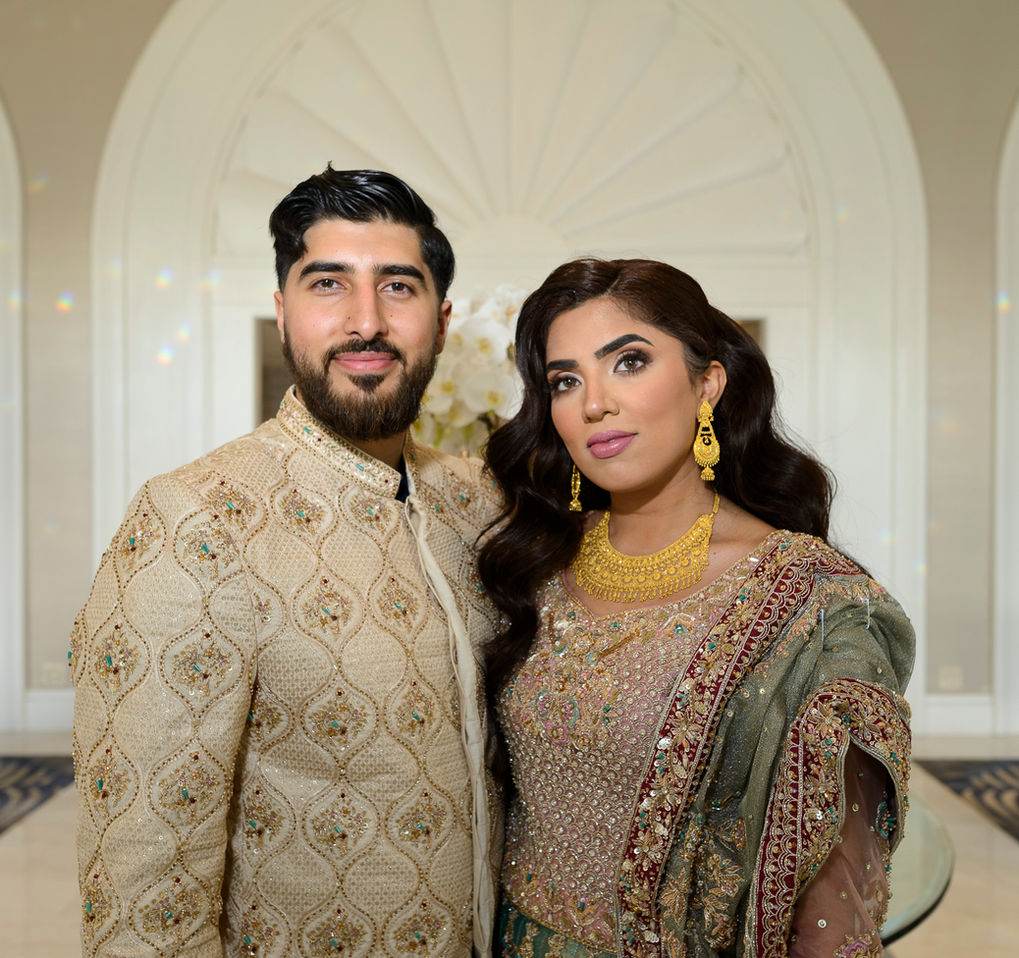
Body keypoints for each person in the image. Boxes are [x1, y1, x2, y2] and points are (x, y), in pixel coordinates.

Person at [70, 167, 502, 957]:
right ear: (282, 314)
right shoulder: (195, 520)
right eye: (328, 283)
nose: (365, 321)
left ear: (440, 323)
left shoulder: (477, 503)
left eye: (397, 287)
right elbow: (144, 887)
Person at [478, 258, 914, 958]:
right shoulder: (533, 566)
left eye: (628, 362)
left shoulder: (814, 604)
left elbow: (836, 922)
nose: (594, 403)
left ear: (706, 383)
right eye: (565, 380)